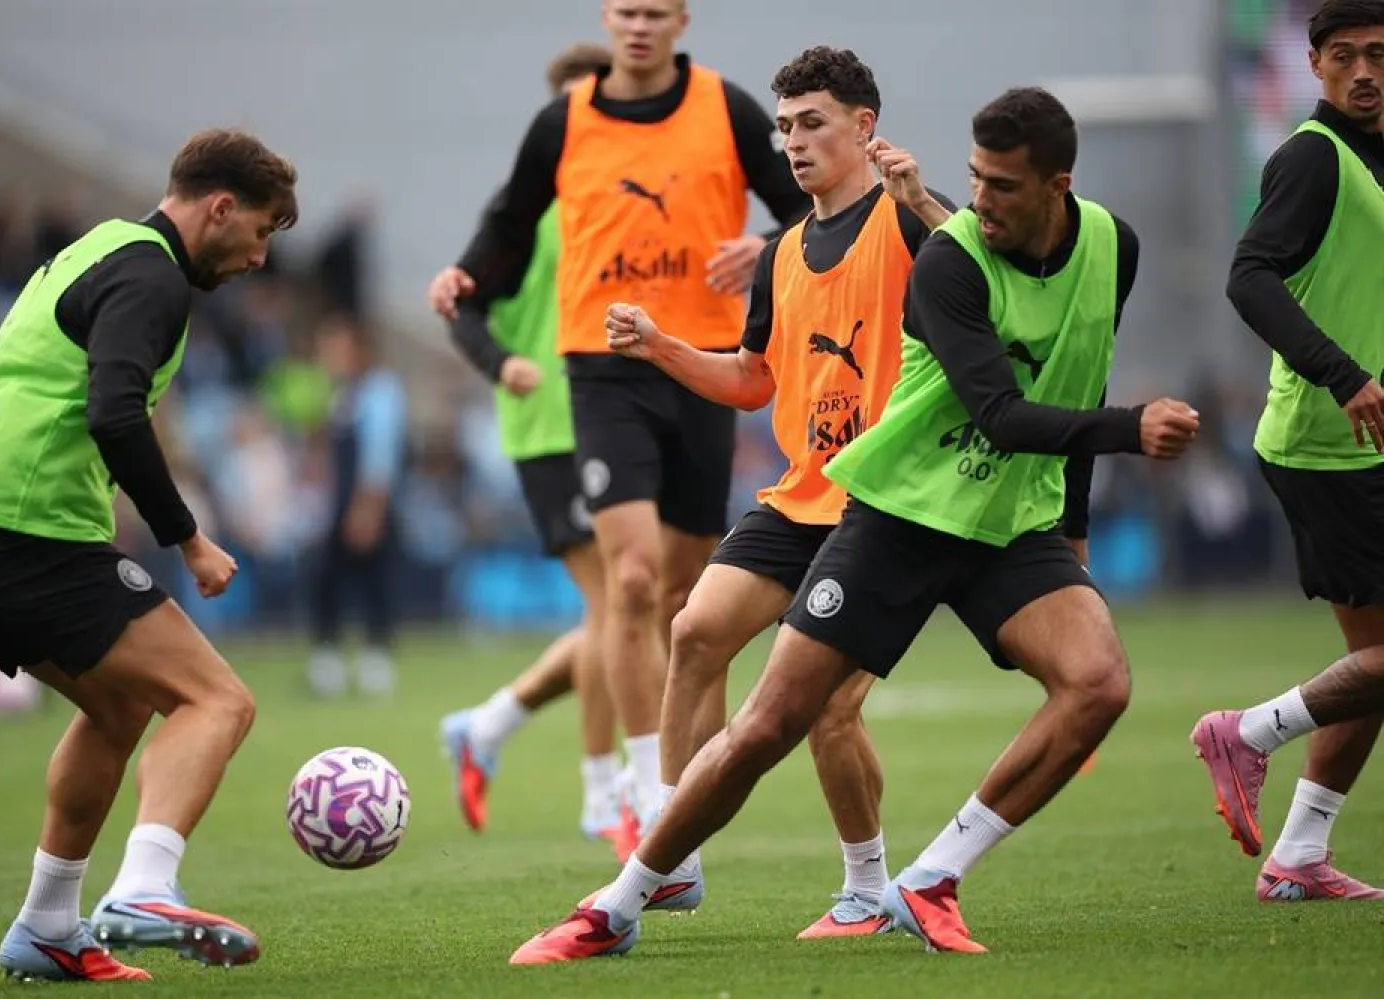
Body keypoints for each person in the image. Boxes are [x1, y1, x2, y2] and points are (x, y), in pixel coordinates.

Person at [510, 85, 1203, 965]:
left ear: (1058, 184)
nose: (982, 202)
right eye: (974, 181)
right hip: (901, 508)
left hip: (1003, 517)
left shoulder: (1099, 245)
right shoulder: (944, 257)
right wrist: (1130, 432)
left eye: (1002, 186)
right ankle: (622, 900)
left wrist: (1072, 530)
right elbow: (997, 409)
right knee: (766, 715)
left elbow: (1079, 374)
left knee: (1098, 682)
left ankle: (924, 878)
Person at [0, 128, 297, 981]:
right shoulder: (151, 274)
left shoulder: (101, 249)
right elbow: (116, 412)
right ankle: (143, 890)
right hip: (20, 532)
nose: (261, 256)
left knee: (120, 709)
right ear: (220, 207)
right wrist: (188, 537)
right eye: (264, 230)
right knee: (218, 701)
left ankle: (48, 925)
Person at [431, 0, 811, 842]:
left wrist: (767, 244)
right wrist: (464, 275)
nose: (638, 25)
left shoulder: (729, 107)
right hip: (601, 370)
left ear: (682, 19)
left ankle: (663, 780)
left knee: (683, 595)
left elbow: (809, 205)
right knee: (629, 584)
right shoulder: (562, 122)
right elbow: (508, 217)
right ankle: (646, 794)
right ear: (608, 18)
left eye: (655, 11)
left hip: (700, 363)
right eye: (624, 10)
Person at [595, 46, 953, 936]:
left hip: (889, 501)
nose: (793, 142)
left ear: (865, 129)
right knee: (694, 629)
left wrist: (928, 203)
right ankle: (673, 859)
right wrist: (662, 345)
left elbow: (994, 277)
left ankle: (868, 886)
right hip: (803, 492)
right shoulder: (785, 249)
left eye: (812, 123)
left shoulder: (909, 221)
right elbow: (756, 377)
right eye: (784, 126)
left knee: (830, 708)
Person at [1192, 0, 1384, 902]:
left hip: (1366, 442)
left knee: (1371, 667)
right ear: (1313, 66)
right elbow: (1248, 275)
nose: (1363, 72)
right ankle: (1248, 731)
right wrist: (1343, 374)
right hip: (1325, 441)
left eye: (1378, 55)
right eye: (1343, 57)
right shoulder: (1313, 156)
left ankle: (1300, 854)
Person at [433, 42, 622, 840]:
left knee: (644, 605)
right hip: (550, 427)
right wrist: (500, 360)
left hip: (621, 419)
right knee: (621, 602)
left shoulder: (631, 200)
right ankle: (602, 792)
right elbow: (459, 303)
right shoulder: (524, 209)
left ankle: (491, 722)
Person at [306, 314, 408, 698]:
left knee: (372, 582)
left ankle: (375, 663)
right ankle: (328, 663)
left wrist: (367, 511)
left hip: (367, 504)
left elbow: (380, 457)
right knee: (326, 580)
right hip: (340, 503)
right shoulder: (341, 394)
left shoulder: (381, 391)